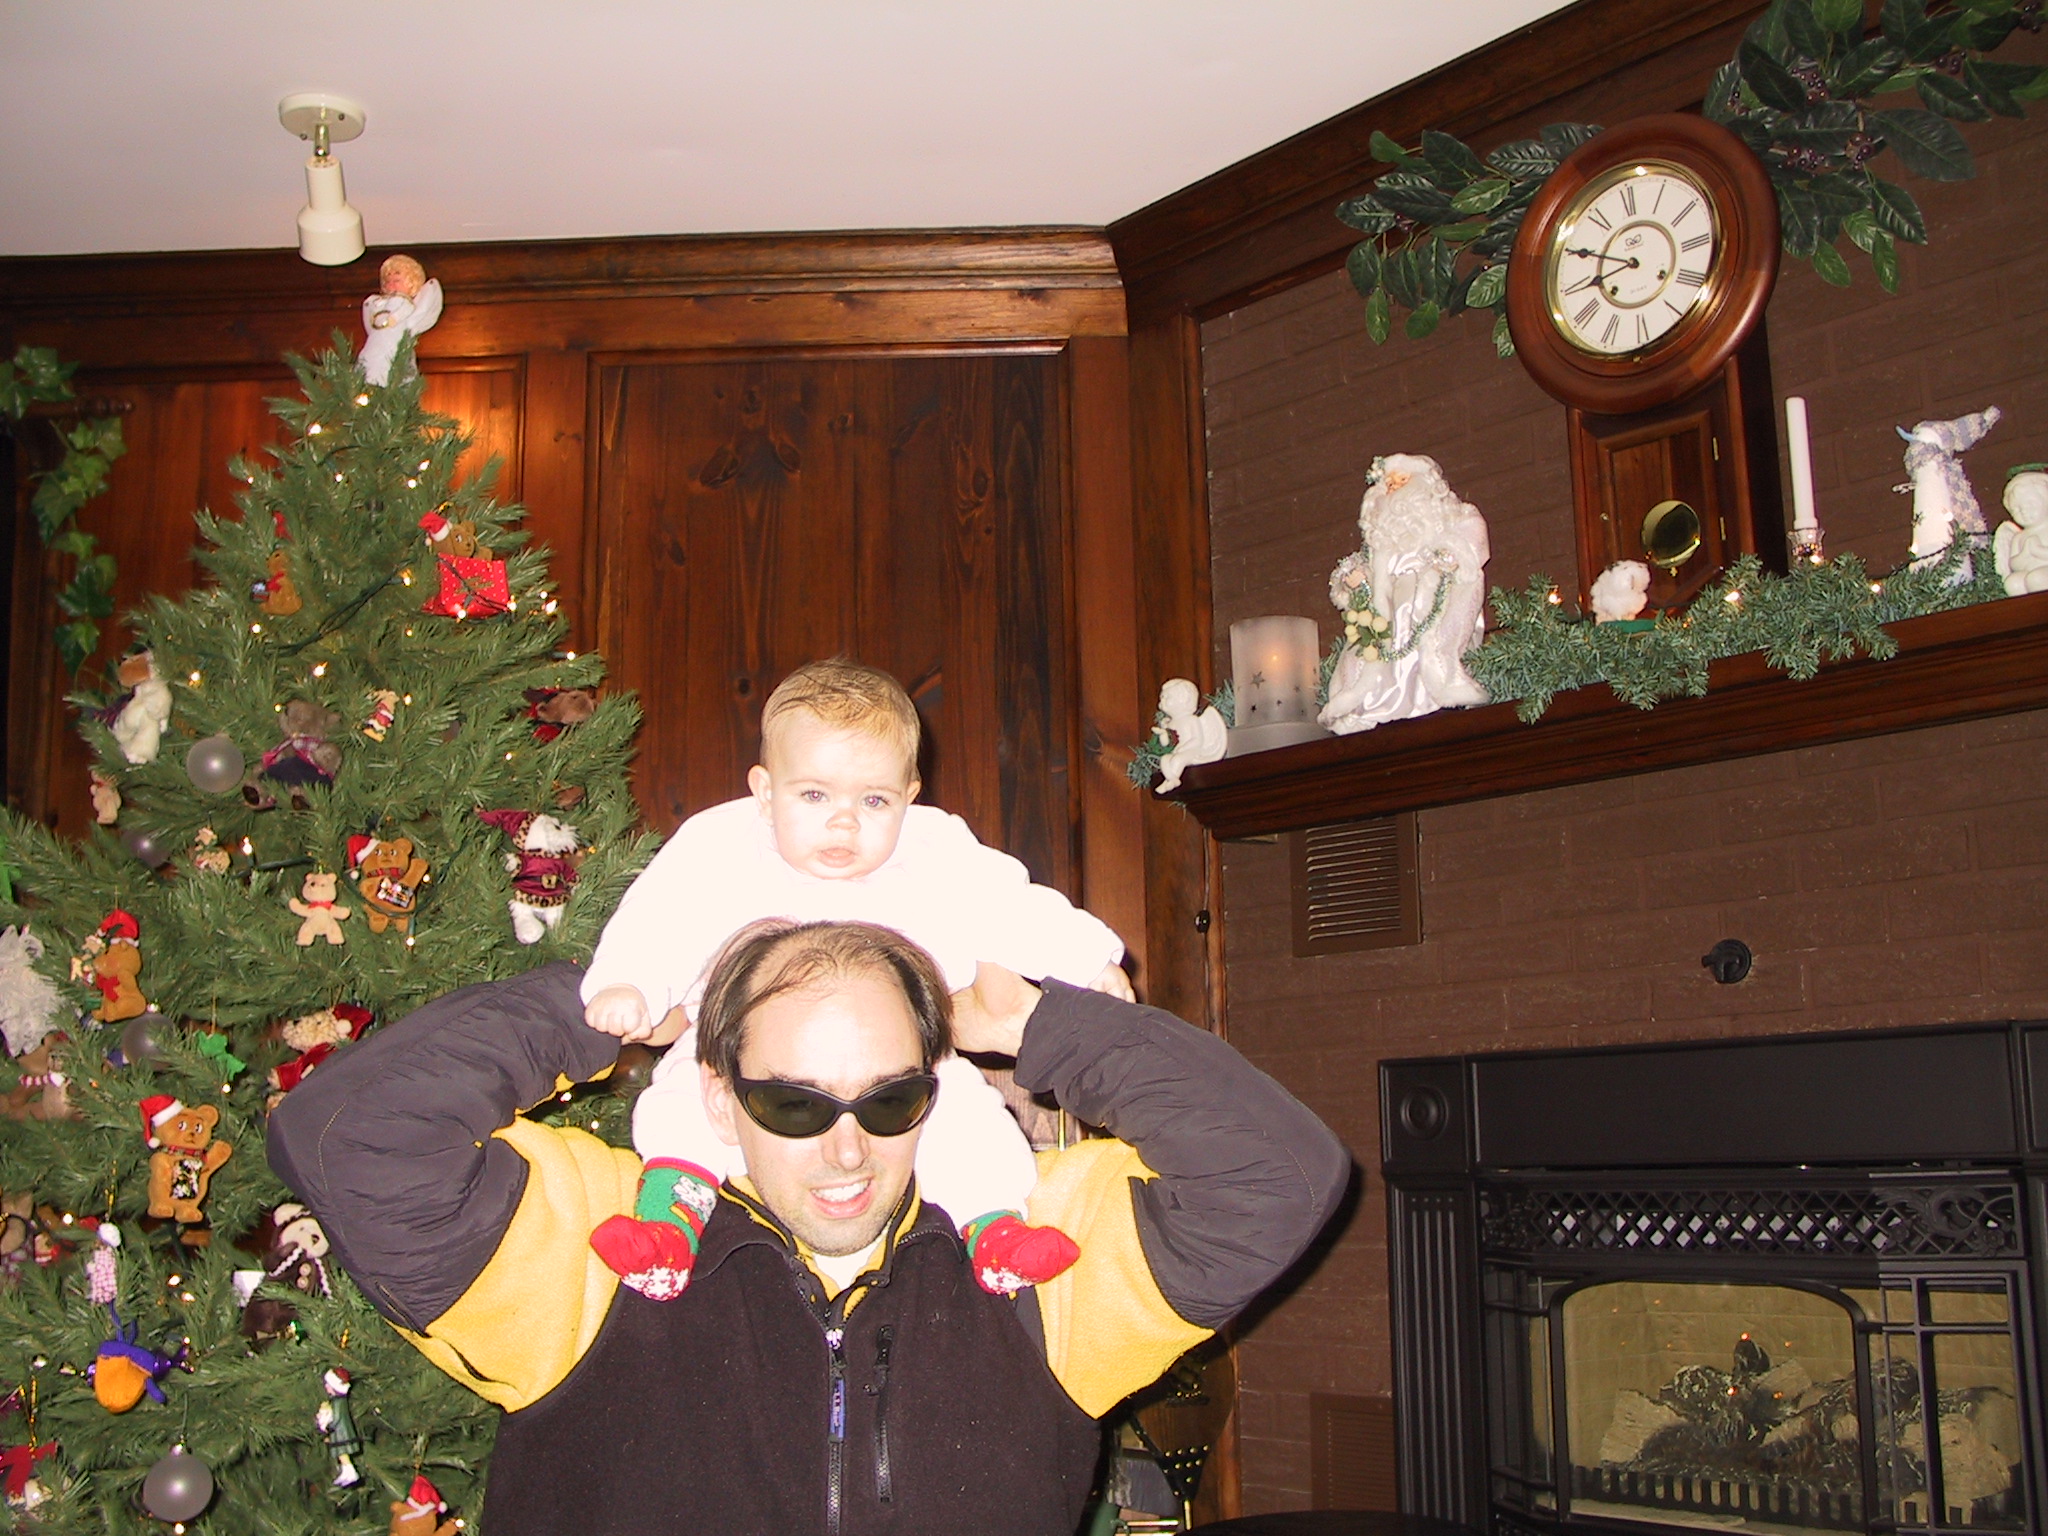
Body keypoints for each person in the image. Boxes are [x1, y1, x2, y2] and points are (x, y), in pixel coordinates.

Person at [267, 920, 1347, 1536]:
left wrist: (1043, 1026)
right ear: (718, 1097)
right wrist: (594, 1012)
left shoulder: (1030, 1259)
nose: (847, 1151)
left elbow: (1281, 1177)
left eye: (890, 1099)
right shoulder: (599, 1249)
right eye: (793, 1102)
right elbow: (349, 1139)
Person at [580, 659, 1132, 1300]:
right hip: (738, 1051)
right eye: (814, 796)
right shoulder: (722, 844)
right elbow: (660, 913)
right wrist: (628, 982)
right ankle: (669, 1223)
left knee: (963, 1112)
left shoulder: (934, 850)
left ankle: (994, 1228)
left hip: (900, 1061)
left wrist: (1089, 959)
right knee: (688, 1092)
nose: (844, 821)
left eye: (874, 800)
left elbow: (1013, 906)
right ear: (764, 790)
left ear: (910, 795)